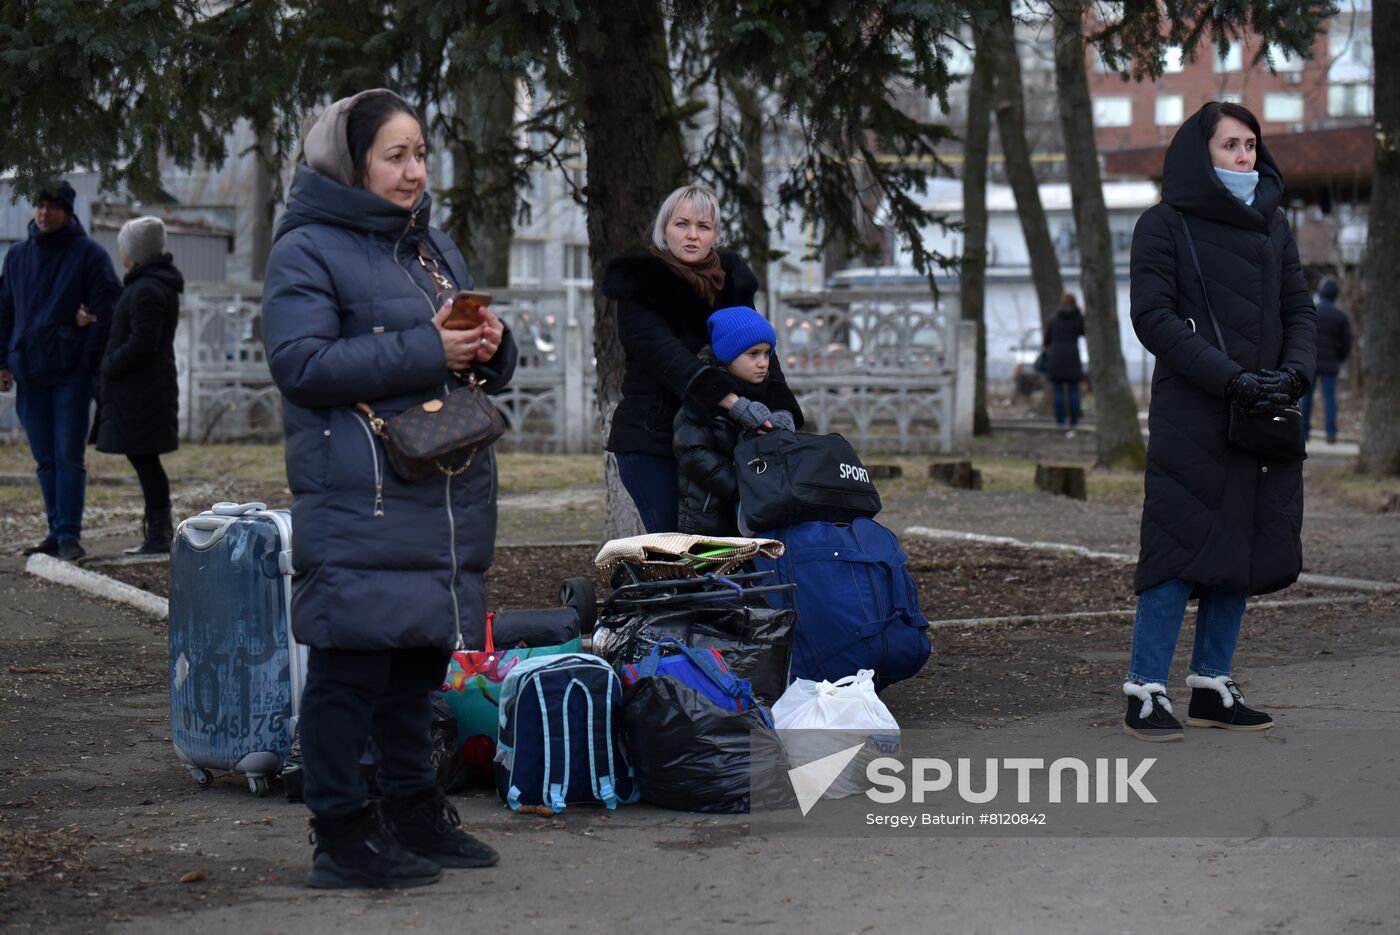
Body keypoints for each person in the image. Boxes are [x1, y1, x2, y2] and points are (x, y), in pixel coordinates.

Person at [262, 89, 512, 889]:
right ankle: (341, 832)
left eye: (421, 153)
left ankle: (412, 808)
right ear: (351, 161)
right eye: (395, 155)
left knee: (415, 663)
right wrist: (428, 348)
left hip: (437, 490)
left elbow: (453, 361)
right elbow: (302, 367)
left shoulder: (428, 246)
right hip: (360, 491)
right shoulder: (306, 248)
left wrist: (487, 347)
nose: (415, 171)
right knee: (349, 671)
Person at [1124, 101, 1315, 741]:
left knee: (1243, 541)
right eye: (1230, 145)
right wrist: (1228, 378)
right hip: (1193, 410)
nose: (1243, 157)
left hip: (1264, 409)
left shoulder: (1274, 224)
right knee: (1177, 547)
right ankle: (1146, 690)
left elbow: (1300, 312)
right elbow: (1153, 319)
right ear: (1199, 152)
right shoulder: (1163, 224)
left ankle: (1212, 684)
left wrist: (1293, 375)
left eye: (1251, 146)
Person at [602, 184, 796, 533]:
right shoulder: (639, 286)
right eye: (682, 224)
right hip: (653, 439)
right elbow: (669, 359)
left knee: (735, 550)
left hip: (722, 443)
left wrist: (782, 411)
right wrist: (735, 403)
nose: (692, 235)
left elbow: (760, 353)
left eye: (703, 227)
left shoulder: (731, 284)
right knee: (679, 553)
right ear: (664, 229)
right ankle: (656, 589)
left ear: (715, 234)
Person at [0, 181, 121, 561]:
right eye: (39, 204)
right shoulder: (17, 256)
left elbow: (109, 310)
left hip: (71, 373)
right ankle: (54, 531)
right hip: (29, 370)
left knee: (68, 457)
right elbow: (4, 312)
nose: (44, 212)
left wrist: (87, 356)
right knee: (44, 458)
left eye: (53, 206)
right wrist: (2, 361)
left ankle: (69, 534)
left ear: (68, 211)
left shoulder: (88, 254)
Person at [92, 217, 182, 554]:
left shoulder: (147, 288)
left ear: (136, 251)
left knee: (146, 461)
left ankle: (159, 535)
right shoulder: (146, 284)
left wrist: (110, 364)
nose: (120, 252)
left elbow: (145, 341)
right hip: (142, 391)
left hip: (143, 392)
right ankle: (156, 532)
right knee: (144, 460)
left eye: (124, 246)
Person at [674, 305, 804, 536]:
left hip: (760, 512)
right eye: (752, 354)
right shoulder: (704, 397)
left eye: (766, 353)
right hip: (710, 516)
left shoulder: (769, 396)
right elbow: (692, 453)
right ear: (727, 356)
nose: (763, 363)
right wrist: (742, 485)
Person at [1301, 277, 1351, 444]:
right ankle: (1330, 433)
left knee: (1307, 397)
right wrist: (1339, 358)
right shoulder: (1341, 316)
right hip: (1330, 363)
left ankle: (1303, 431)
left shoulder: (1311, 311)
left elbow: (1303, 336)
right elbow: (1346, 343)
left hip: (1311, 361)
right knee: (1329, 398)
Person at [1042, 292, 1086, 436]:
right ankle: (1074, 423)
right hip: (1072, 357)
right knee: (1074, 391)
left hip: (1056, 358)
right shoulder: (1078, 318)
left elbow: (1046, 340)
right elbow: (1084, 332)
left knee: (1058, 392)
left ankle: (1061, 423)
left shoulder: (1054, 318)